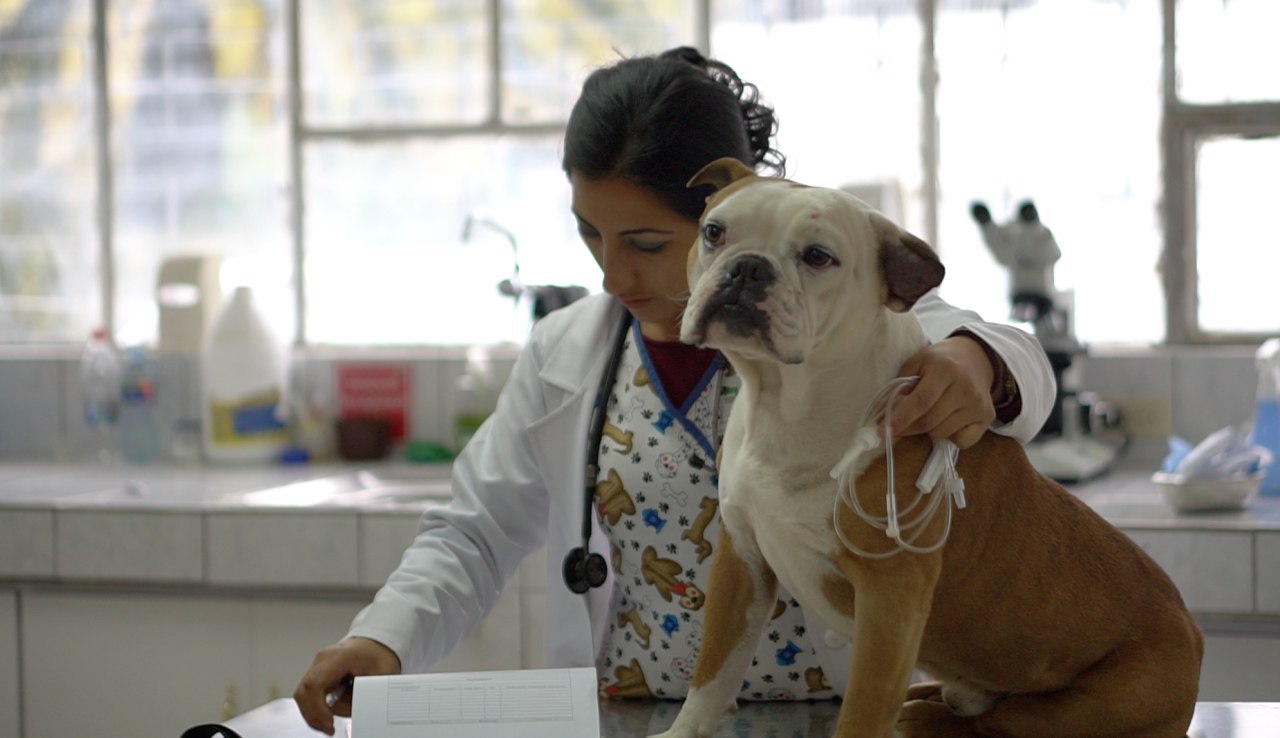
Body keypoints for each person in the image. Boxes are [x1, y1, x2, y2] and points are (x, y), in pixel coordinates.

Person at [294, 46, 1055, 734]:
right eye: (591, 234)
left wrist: (976, 359)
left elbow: (1013, 354)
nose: (611, 276)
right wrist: (382, 637)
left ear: (732, 213)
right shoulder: (570, 352)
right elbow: (474, 530)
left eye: (648, 244)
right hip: (643, 719)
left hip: (841, 714)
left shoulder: (847, 320)